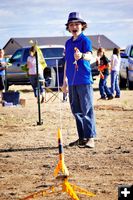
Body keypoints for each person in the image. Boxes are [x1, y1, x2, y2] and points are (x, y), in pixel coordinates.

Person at [62, 12, 96, 148]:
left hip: (84, 80)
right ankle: (82, 138)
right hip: (71, 82)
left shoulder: (85, 40)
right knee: (76, 110)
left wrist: (81, 55)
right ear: (68, 27)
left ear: (82, 26)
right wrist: (64, 81)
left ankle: (91, 138)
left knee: (87, 109)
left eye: (77, 24)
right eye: (71, 24)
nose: (74, 26)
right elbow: (66, 62)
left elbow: (90, 56)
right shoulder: (68, 43)